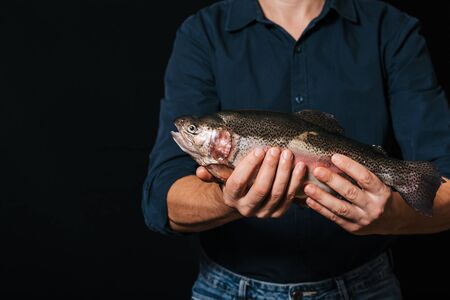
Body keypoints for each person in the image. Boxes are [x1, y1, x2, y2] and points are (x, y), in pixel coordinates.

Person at [142, 0, 450, 298]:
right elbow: (162, 202)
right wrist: (227, 199)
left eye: (195, 129)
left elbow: (445, 184)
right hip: (227, 290)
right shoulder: (202, 32)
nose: (190, 131)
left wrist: (390, 215)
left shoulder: (391, 29)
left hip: (367, 287)